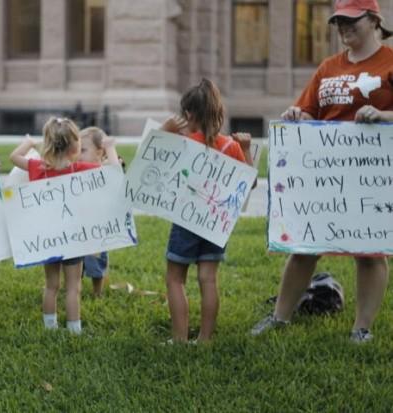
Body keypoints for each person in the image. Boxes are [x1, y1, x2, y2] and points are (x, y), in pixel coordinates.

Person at [251, 0, 393, 343]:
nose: (343, 27)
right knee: (305, 245)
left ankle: (361, 329)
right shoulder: (328, 67)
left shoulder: (389, 62)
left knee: (369, 251)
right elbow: (306, 111)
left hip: (369, 175)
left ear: (373, 19)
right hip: (324, 175)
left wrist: (384, 116)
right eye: (338, 22)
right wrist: (296, 116)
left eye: (351, 20)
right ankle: (280, 317)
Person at [161, 79, 253, 344]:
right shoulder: (231, 146)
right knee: (208, 279)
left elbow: (151, 160)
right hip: (216, 223)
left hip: (186, 219)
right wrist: (245, 151)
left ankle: (179, 339)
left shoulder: (182, 141)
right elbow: (248, 183)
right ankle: (204, 340)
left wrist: (164, 131)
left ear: (188, 114)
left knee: (175, 279)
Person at [10, 117, 120, 334]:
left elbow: (14, 157)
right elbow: (115, 172)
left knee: (51, 286)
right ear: (75, 146)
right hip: (73, 238)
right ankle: (74, 330)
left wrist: (29, 143)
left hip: (48, 238)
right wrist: (110, 148)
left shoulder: (37, 167)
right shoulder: (80, 169)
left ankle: (50, 327)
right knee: (73, 287)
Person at [77, 126, 114, 297]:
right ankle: (72, 287)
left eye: (83, 150)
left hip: (96, 230)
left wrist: (110, 148)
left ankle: (97, 292)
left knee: (96, 262)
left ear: (100, 152)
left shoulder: (104, 170)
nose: (78, 154)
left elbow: (116, 171)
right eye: (75, 150)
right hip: (77, 227)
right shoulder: (76, 170)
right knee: (74, 261)